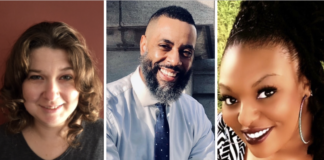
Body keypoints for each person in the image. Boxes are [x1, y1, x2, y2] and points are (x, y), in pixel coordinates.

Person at [217, 1, 324, 160]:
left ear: (305, 81)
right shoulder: (221, 137)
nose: (244, 119)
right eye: (230, 99)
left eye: (266, 92)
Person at [106, 6, 215, 160]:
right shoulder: (106, 107)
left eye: (186, 52)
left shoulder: (195, 113)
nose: (175, 61)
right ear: (143, 46)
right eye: (165, 46)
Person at [0, 22, 103, 160]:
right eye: (36, 77)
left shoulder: (108, 136)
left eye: (66, 77)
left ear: (83, 83)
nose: (51, 94)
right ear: (19, 84)